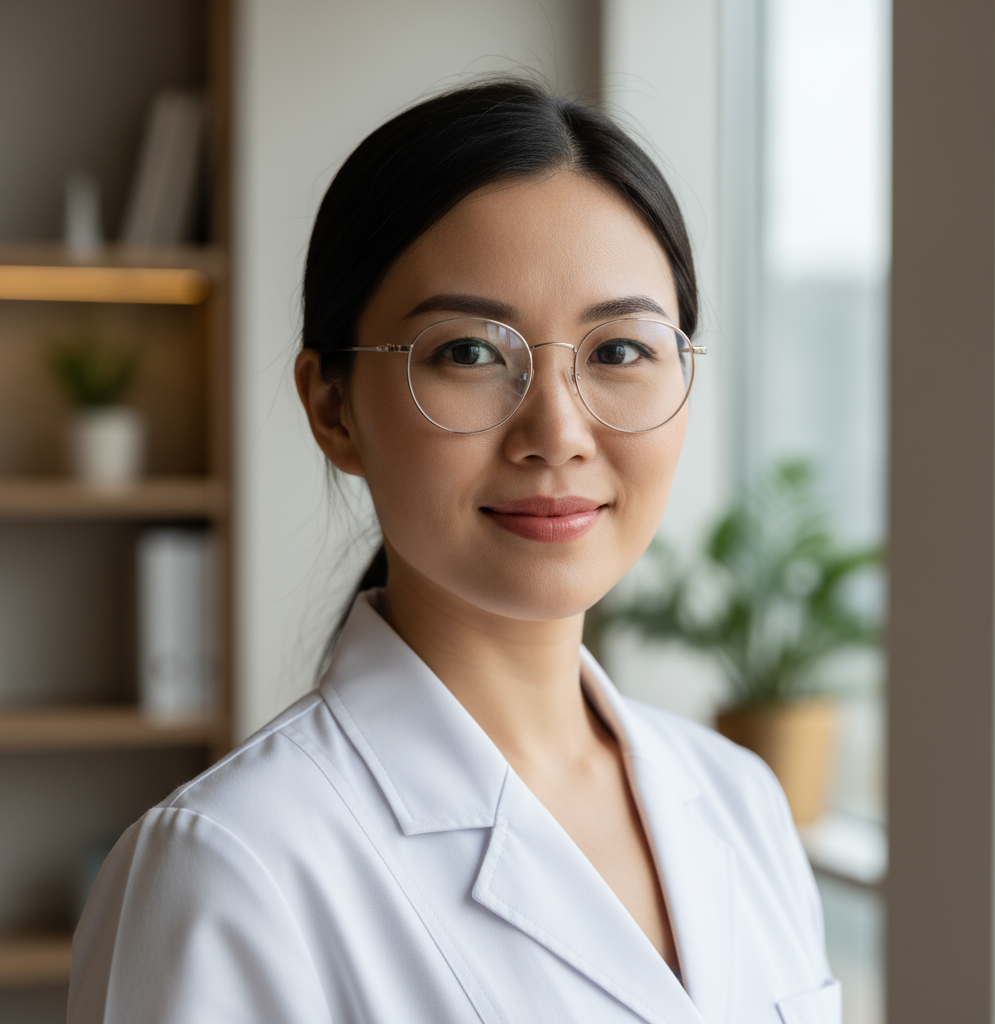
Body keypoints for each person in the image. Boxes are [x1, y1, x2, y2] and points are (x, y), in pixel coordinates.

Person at [69, 80, 840, 1024]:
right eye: (470, 353)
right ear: (333, 407)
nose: (555, 433)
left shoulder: (740, 801)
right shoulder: (232, 864)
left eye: (620, 352)